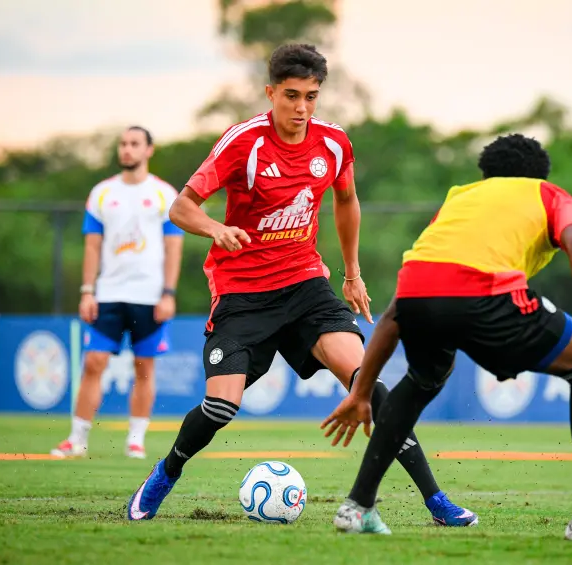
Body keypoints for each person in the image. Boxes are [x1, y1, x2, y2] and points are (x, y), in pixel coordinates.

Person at [126, 43, 474, 526]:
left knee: (367, 384)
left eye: (311, 96)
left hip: (306, 285)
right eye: (291, 96)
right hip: (242, 296)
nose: (302, 108)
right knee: (222, 406)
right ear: (270, 92)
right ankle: (165, 474)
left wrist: (351, 274)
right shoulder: (242, 142)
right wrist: (216, 228)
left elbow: (347, 200)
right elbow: (181, 206)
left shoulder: (333, 143)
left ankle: (437, 501)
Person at [322, 133, 572, 541]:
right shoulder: (548, 194)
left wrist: (361, 392)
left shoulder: (459, 198)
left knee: (422, 379)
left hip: (417, 293)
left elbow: (395, 314)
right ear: (538, 175)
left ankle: (358, 507)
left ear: (486, 173)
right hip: (487, 295)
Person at [51, 126, 184, 460]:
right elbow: (92, 248)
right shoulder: (100, 193)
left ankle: (135, 440)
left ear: (149, 150)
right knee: (93, 362)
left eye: (135, 144)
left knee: (144, 367)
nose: (127, 149)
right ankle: (77, 438)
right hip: (108, 293)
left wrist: (168, 292)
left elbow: (174, 247)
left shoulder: (165, 195)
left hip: (149, 296)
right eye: (123, 144)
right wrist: (87, 291)